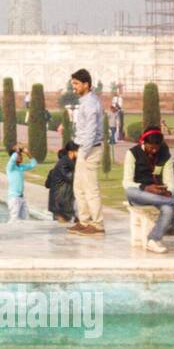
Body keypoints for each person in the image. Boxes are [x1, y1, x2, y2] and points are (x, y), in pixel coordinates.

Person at [122, 126, 174, 254]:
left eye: (156, 148)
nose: (153, 151)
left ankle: (153, 240)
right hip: (139, 194)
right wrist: (146, 188)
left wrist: (168, 192)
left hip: (159, 195)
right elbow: (126, 182)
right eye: (150, 147)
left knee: (168, 209)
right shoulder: (132, 153)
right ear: (143, 142)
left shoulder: (165, 155)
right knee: (129, 191)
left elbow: (170, 181)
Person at [69, 68, 104, 234]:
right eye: (73, 84)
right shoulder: (85, 101)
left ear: (86, 84)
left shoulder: (90, 103)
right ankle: (84, 221)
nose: (73, 87)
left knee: (90, 188)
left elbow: (90, 130)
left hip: (90, 149)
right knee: (79, 187)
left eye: (76, 84)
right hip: (84, 148)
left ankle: (97, 224)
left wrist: (85, 151)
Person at [46, 141, 78, 222]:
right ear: (71, 152)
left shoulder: (70, 162)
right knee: (61, 229)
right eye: (78, 151)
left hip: (66, 201)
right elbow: (72, 178)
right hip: (61, 202)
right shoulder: (64, 163)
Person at [6, 144, 37, 222]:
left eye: (21, 155)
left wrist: (27, 153)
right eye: (19, 155)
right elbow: (13, 159)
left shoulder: (21, 167)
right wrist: (17, 150)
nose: (21, 157)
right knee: (13, 220)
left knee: (26, 218)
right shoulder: (10, 167)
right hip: (14, 198)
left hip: (21, 197)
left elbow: (33, 164)